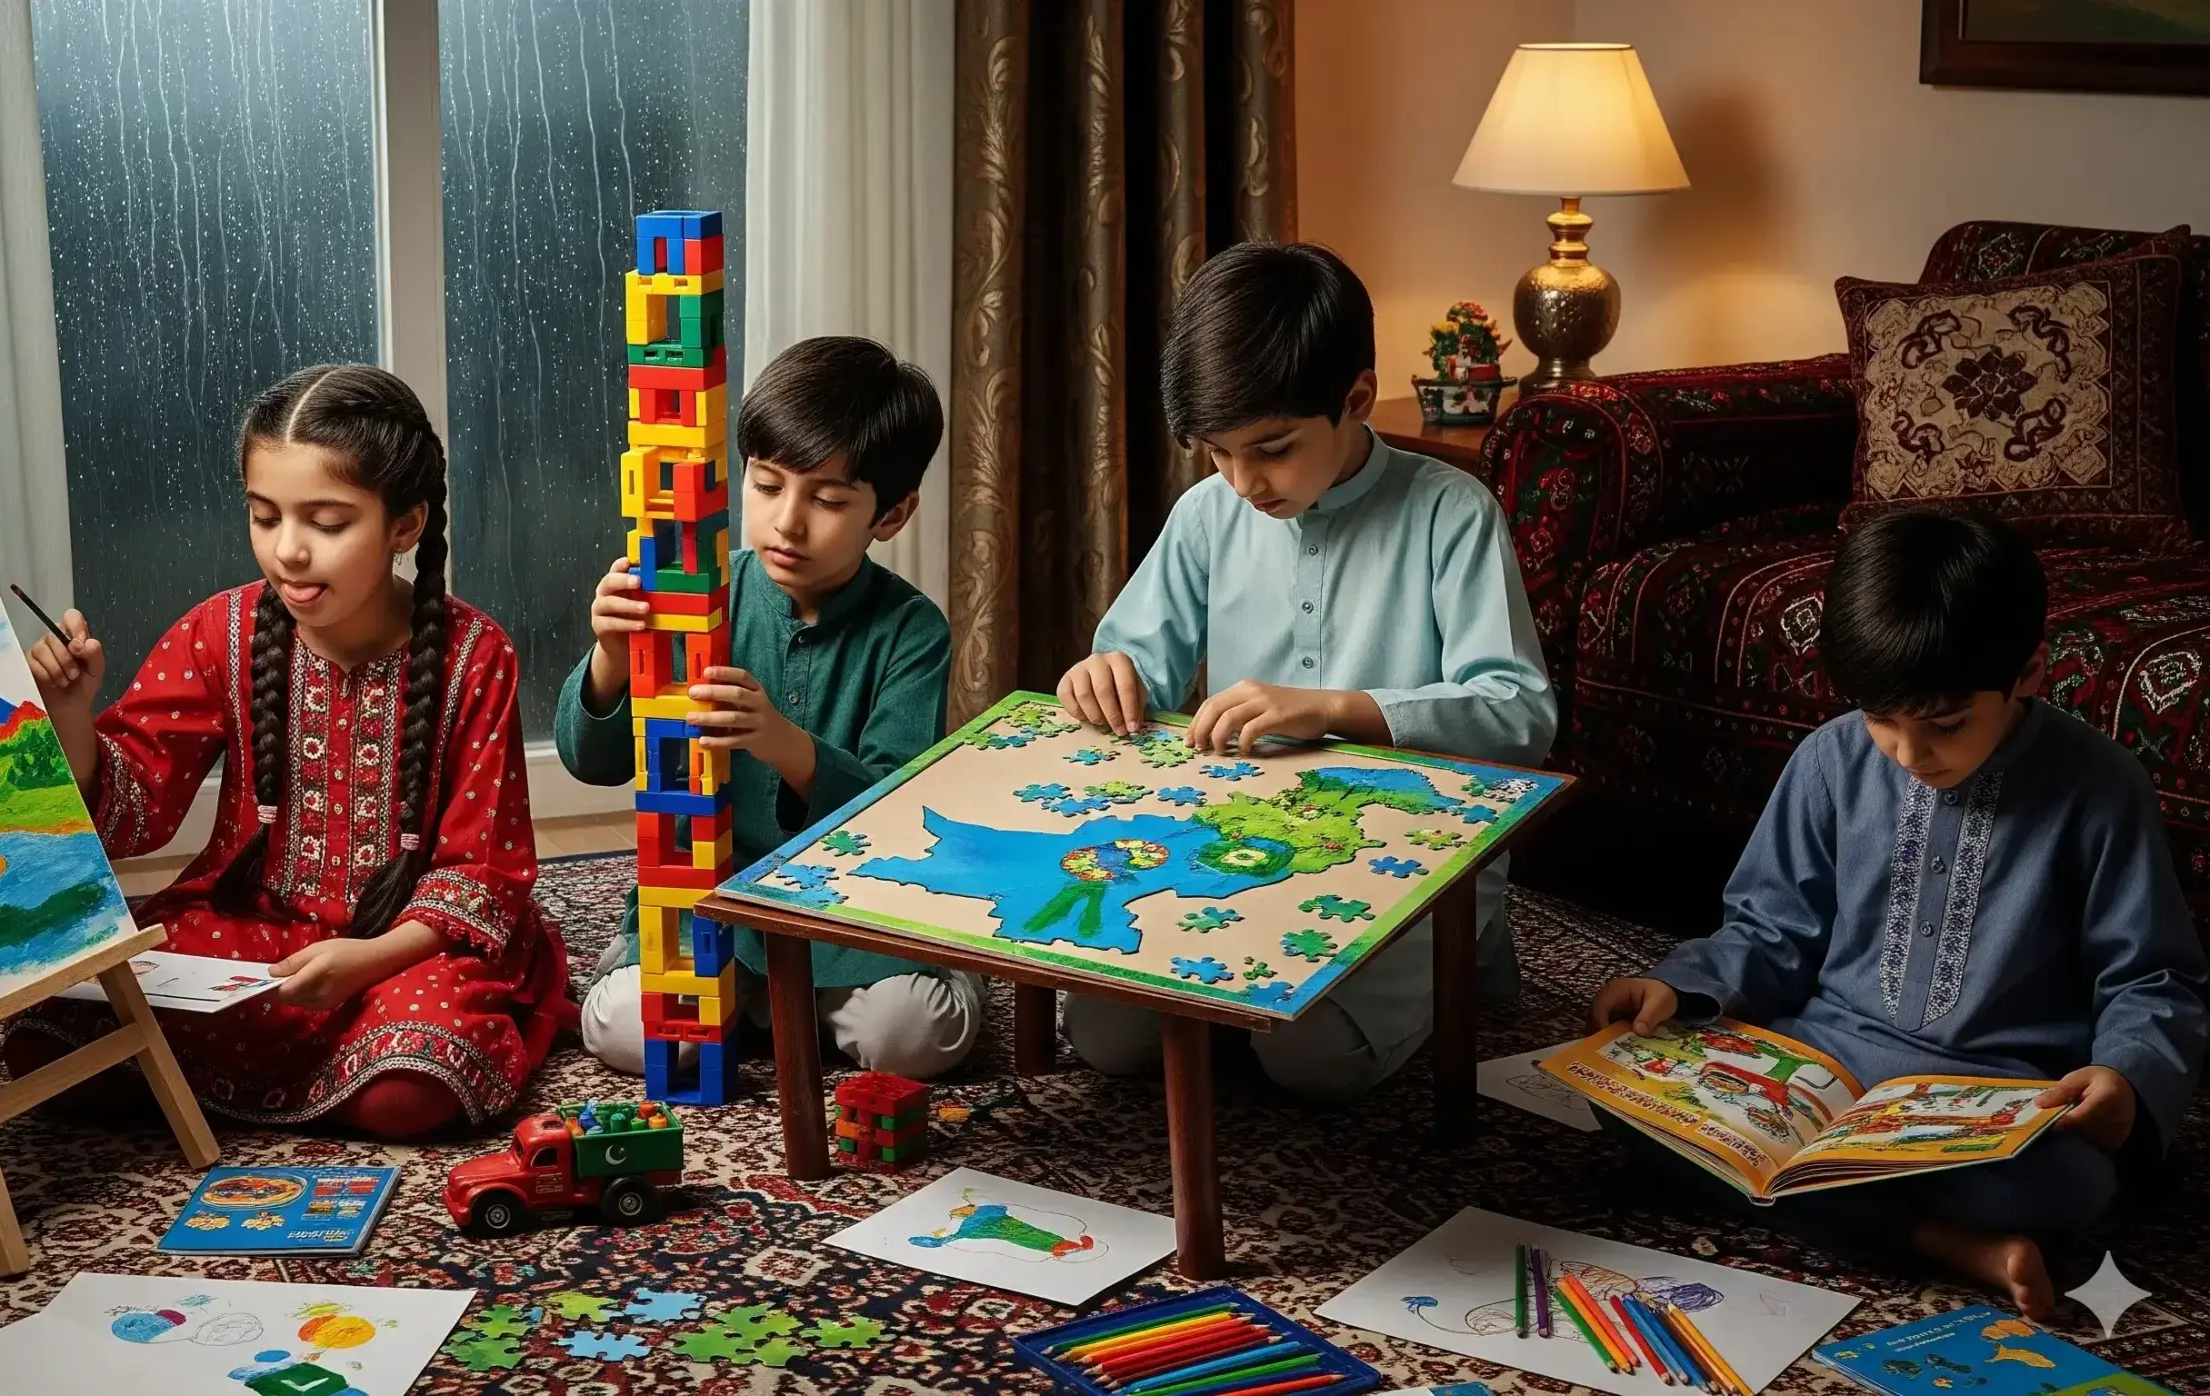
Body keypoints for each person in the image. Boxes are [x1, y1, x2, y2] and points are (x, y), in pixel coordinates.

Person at [1592, 510, 2209, 1317]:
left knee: (2066, 1181)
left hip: (1999, 1102)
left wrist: (2125, 1078)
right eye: (1882, 720)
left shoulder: (2098, 788)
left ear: (2027, 672)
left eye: (1945, 725)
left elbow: (2153, 975)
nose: (1910, 755)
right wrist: (1678, 988)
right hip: (1823, 1066)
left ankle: (1907, 1218)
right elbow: (1769, 929)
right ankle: (1943, 1243)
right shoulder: (1830, 759)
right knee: (1622, 1099)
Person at [8, 364, 574, 1139]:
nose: (289, 552)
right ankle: (295, 1075)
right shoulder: (219, 631)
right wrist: (71, 715)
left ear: (406, 525)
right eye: (265, 516)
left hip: (408, 947)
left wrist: (365, 962)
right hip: (248, 927)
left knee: (410, 1092)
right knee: (47, 1046)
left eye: (328, 522)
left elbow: (485, 871)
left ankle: (260, 1078)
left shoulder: (477, 656)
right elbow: (134, 808)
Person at [1054, 241, 1555, 1100]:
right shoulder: (1208, 513)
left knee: (1313, 1057)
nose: (1244, 480)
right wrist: (1104, 675)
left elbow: (1518, 715)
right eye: (1218, 452)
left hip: (1408, 851)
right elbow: (1134, 658)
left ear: (1356, 398)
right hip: (1236, 842)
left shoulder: (1451, 514)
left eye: (1273, 448)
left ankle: (1464, 953)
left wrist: (1332, 708)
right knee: (1105, 1035)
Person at [565, 335, 977, 1078]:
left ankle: (933, 974)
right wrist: (611, 657)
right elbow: (589, 761)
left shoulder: (912, 631)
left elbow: (899, 813)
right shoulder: (697, 590)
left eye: (827, 499)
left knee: (909, 1037)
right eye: (767, 484)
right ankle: (729, 996)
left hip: (848, 918)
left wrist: (786, 744)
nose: (789, 521)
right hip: (711, 901)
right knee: (628, 1031)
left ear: (893, 513)